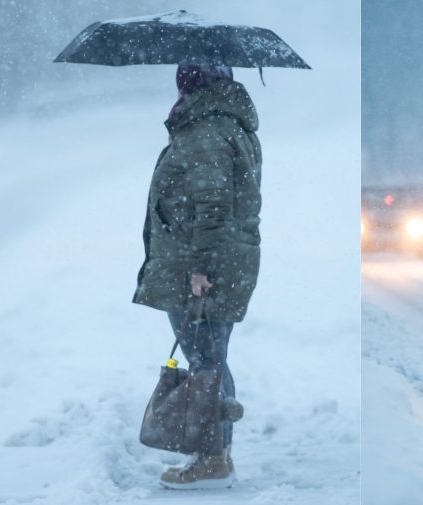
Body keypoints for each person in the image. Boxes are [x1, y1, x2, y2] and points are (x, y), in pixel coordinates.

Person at [133, 63, 262, 489]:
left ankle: (211, 459)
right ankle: (216, 452)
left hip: (202, 266)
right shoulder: (222, 124)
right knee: (210, 358)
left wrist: (200, 268)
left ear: (193, 84)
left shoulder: (207, 131)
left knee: (205, 359)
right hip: (217, 260)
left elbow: (212, 204)